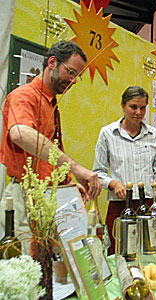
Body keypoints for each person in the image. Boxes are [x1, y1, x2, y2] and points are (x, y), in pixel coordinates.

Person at [0, 40, 102, 253]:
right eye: (71, 72)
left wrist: (67, 185)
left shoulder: (51, 104)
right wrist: (76, 168)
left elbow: (47, 156)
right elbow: (20, 133)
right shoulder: (24, 96)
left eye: (77, 76)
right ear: (53, 62)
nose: (73, 81)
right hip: (24, 197)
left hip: (47, 197)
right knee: (30, 267)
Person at [93, 86, 156, 255]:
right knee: (117, 254)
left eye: (142, 108)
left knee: (148, 251)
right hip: (119, 206)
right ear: (122, 105)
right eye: (133, 107)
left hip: (147, 205)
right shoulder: (107, 134)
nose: (138, 112)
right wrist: (112, 183)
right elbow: (98, 172)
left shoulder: (154, 135)